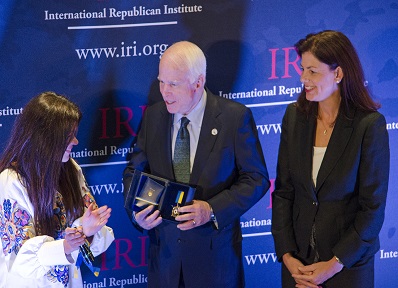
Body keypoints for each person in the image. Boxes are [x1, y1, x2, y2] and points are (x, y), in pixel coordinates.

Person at [123, 41, 270, 288]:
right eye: (161, 81)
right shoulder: (154, 116)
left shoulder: (234, 118)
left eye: (173, 84)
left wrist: (212, 209)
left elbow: (256, 178)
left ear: (198, 82)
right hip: (166, 264)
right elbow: (133, 172)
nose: (164, 91)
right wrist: (138, 214)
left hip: (215, 265)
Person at [271, 30, 390, 288]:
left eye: (313, 71)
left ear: (338, 73)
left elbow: (372, 209)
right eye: (302, 69)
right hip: (299, 266)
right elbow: (283, 192)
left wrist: (333, 264)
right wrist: (288, 256)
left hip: (347, 266)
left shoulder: (369, 125)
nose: (303, 78)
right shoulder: (294, 117)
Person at [0, 92, 115, 288]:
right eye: (68, 136)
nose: (76, 142)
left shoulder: (71, 169)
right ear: (45, 138)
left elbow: (95, 238)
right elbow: (20, 259)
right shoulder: (11, 182)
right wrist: (66, 245)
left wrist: (87, 230)